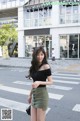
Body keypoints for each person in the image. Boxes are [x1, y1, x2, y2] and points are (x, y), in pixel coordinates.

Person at [27, 46, 53, 121]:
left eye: (42, 54)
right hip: (34, 96)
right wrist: (30, 95)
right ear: (34, 55)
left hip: (42, 96)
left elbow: (51, 82)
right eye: (38, 55)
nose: (40, 56)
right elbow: (33, 83)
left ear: (44, 55)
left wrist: (39, 82)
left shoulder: (46, 66)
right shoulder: (34, 67)